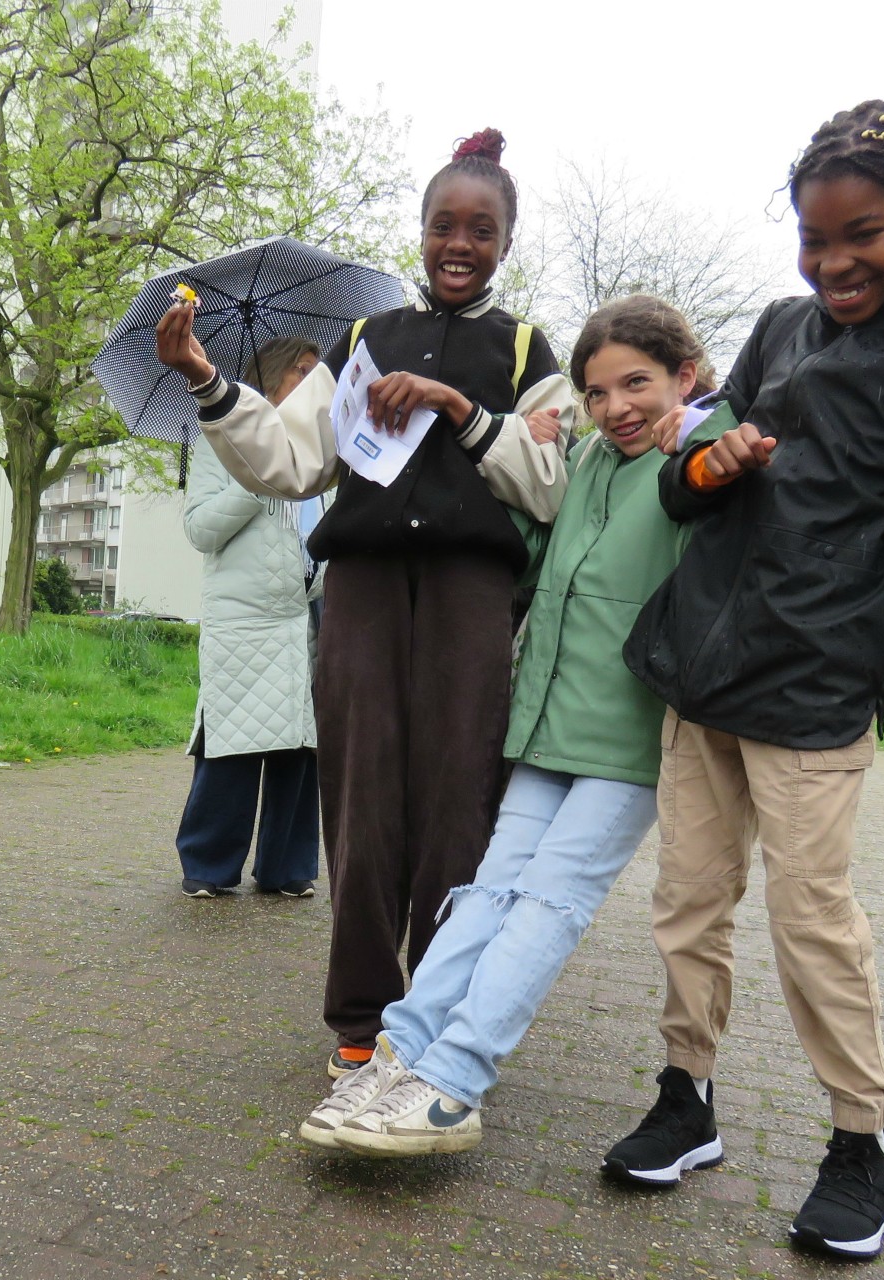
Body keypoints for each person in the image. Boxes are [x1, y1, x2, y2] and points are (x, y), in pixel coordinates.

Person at [606, 100, 884, 1261]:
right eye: (814, 237)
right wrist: (707, 457)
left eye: (864, 234)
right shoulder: (782, 327)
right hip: (703, 671)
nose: (833, 262)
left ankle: (861, 1144)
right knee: (687, 901)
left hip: (816, 693)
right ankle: (685, 1098)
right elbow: (681, 485)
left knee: (809, 921)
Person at [156, 130, 574, 1077]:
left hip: (472, 598)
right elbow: (291, 460)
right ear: (419, 233)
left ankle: (434, 1018)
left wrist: (460, 411)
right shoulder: (361, 339)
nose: (457, 244)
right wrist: (202, 377)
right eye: (441, 225)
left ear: (506, 241)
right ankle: (359, 1020)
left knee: (458, 807)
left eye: (480, 228)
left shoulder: (523, 351)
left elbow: (549, 484)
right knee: (362, 798)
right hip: (362, 594)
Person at [297, 296, 731, 1156]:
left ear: (684, 377)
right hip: (543, 728)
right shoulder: (591, 459)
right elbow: (539, 556)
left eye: (635, 385)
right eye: (597, 392)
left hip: (627, 736)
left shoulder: (696, 463)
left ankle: (454, 1080)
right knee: (486, 894)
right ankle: (399, 1050)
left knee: (546, 904)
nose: (615, 409)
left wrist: (713, 439)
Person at [175, 338, 325, 899]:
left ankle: (287, 868)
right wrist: (259, 480)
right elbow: (200, 531)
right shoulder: (216, 440)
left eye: (318, 375)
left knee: (301, 749)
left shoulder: (317, 448)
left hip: (304, 616)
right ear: (271, 378)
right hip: (243, 620)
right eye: (302, 372)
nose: (313, 383)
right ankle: (208, 865)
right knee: (231, 745)